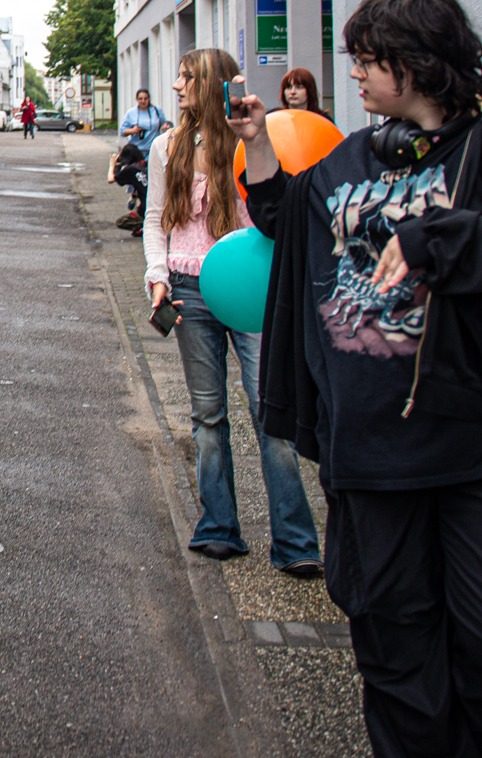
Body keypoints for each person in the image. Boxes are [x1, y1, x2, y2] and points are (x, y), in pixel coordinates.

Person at [239, 0, 482, 758]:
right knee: (396, 656)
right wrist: (257, 144)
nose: (356, 74)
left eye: (369, 60)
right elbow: (284, 220)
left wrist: (443, 240)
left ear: (417, 62)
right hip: (372, 455)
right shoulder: (349, 161)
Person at [143, 48, 321, 575]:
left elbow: (271, 214)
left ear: (212, 83)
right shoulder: (166, 146)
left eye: (186, 77)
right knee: (207, 416)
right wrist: (157, 276)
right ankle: (218, 527)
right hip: (188, 290)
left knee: (272, 411)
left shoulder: (251, 143)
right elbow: (155, 218)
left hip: (250, 289)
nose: (177, 85)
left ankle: (295, 542)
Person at [120, 87, 166, 153]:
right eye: (140, 99)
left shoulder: (156, 110)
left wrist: (165, 126)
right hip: (136, 151)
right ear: (136, 99)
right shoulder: (131, 113)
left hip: (153, 149)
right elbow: (122, 131)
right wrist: (132, 131)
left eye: (145, 99)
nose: (143, 101)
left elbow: (165, 123)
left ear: (149, 99)